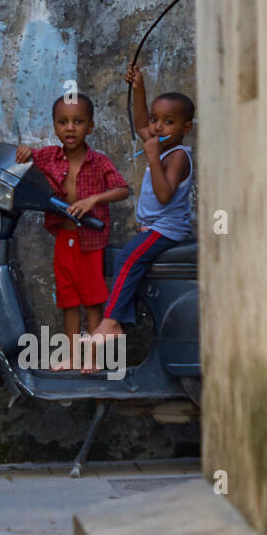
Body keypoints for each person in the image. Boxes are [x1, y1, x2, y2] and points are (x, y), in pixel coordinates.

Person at [86, 65, 194, 360]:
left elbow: (164, 193)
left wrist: (152, 158)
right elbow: (140, 124)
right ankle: (118, 321)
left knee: (127, 257)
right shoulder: (159, 145)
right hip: (155, 226)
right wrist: (139, 89)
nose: (157, 127)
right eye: (156, 120)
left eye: (168, 122)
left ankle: (110, 322)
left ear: (186, 129)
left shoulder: (177, 157)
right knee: (128, 261)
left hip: (168, 228)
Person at [16, 94, 129, 369]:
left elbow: (123, 189)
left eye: (78, 122)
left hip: (90, 242)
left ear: (90, 127)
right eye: (63, 122)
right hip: (63, 238)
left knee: (91, 301)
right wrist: (25, 152)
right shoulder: (49, 157)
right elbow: (27, 158)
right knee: (68, 300)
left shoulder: (99, 162)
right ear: (54, 126)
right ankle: (73, 355)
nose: (70, 128)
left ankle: (93, 358)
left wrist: (94, 200)